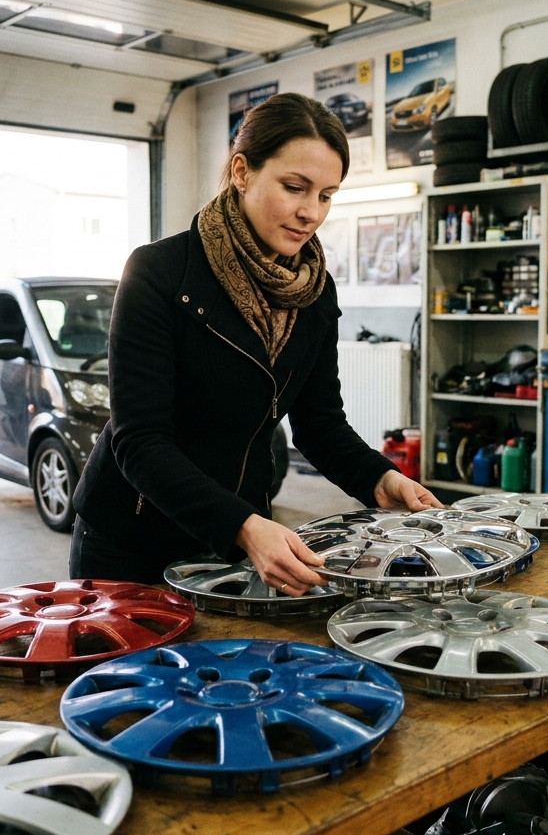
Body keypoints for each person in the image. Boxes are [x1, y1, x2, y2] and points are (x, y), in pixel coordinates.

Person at [71, 92, 440, 596]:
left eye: (327, 195)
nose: (311, 212)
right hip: (133, 542)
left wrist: (382, 479)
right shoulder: (158, 273)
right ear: (242, 172)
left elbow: (320, 425)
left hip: (240, 539)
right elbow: (140, 441)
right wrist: (243, 526)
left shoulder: (312, 289)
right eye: (295, 187)